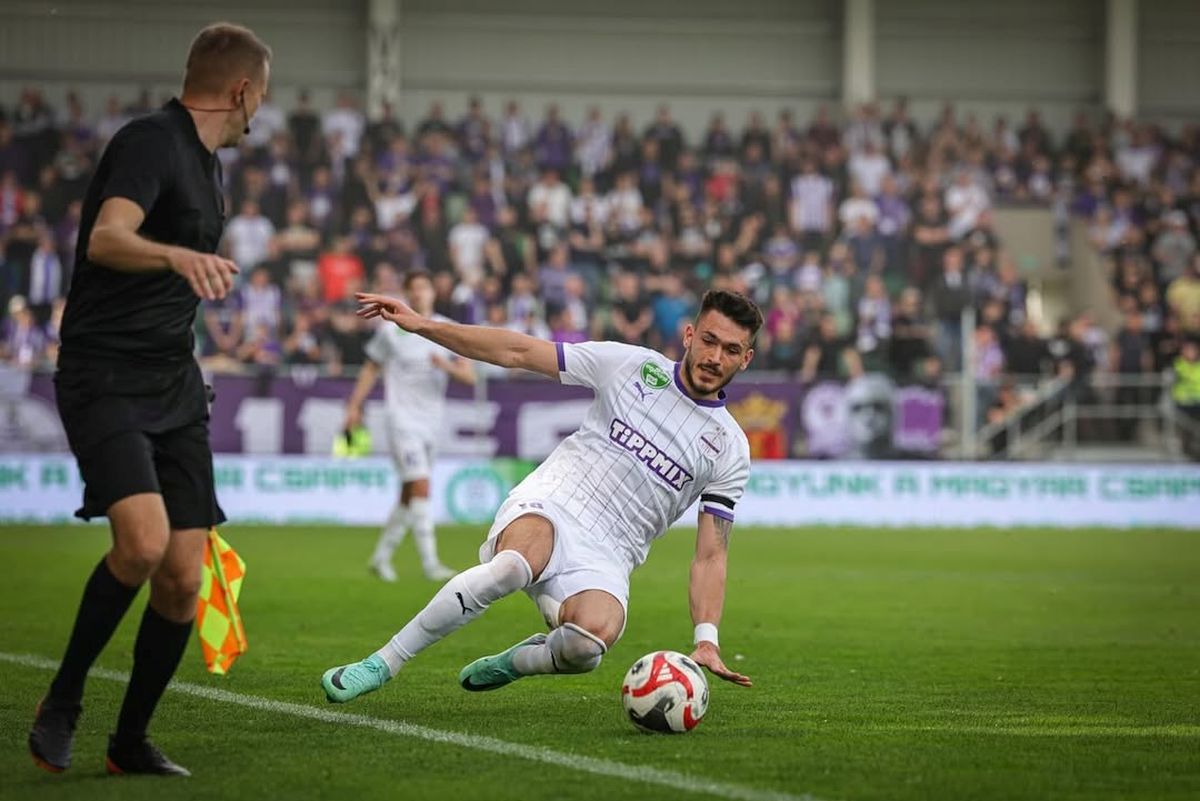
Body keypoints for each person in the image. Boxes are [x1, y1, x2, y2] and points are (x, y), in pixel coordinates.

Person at [29, 23, 271, 777]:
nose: (260, 109)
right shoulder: (151, 141)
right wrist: (178, 255)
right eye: (262, 94)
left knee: (183, 575)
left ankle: (129, 740)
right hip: (104, 374)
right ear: (242, 90)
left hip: (173, 380)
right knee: (140, 545)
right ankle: (62, 701)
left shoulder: (208, 165)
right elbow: (107, 237)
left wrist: (186, 272)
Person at [321, 289, 759, 703]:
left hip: (612, 552)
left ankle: (518, 661)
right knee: (511, 568)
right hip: (556, 501)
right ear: (689, 335)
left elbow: (711, 554)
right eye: (709, 341)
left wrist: (706, 639)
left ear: (746, 358)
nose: (714, 357)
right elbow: (518, 351)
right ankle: (384, 662)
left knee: (587, 646)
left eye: (731, 350)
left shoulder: (730, 448)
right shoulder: (631, 366)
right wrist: (423, 326)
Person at [344, 270, 475, 582]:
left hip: (432, 421)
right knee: (421, 485)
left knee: (408, 493)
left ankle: (381, 558)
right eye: (413, 288)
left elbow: (469, 377)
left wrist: (445, 366)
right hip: (401, 420)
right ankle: (431, 563)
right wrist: (354, 406)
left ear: (433, 292)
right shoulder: (391, 330)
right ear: (406, 293)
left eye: (424, 287)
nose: (419, 293)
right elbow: (370, 369)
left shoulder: (446, 329)